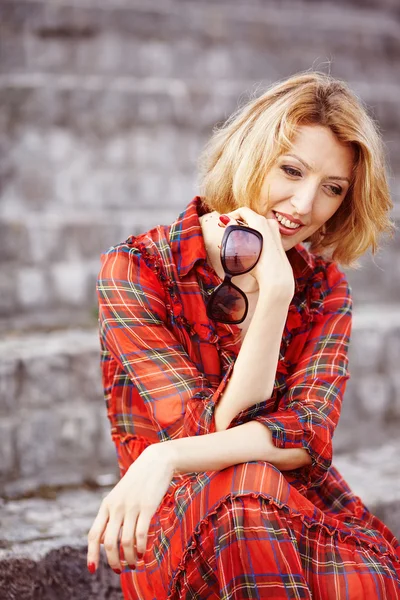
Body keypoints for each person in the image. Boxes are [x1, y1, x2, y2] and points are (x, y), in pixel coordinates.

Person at [87, 71, 400, 599]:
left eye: (332, 189)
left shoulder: (323, 288)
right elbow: (199, 428)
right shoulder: (138, 269)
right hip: (170, 525)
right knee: (246, 505)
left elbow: (305, 437)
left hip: (294, 504)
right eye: (292, 170)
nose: (303, 205)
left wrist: (278, 288)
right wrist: (274, 295)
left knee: (364, 581)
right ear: (253, 154)